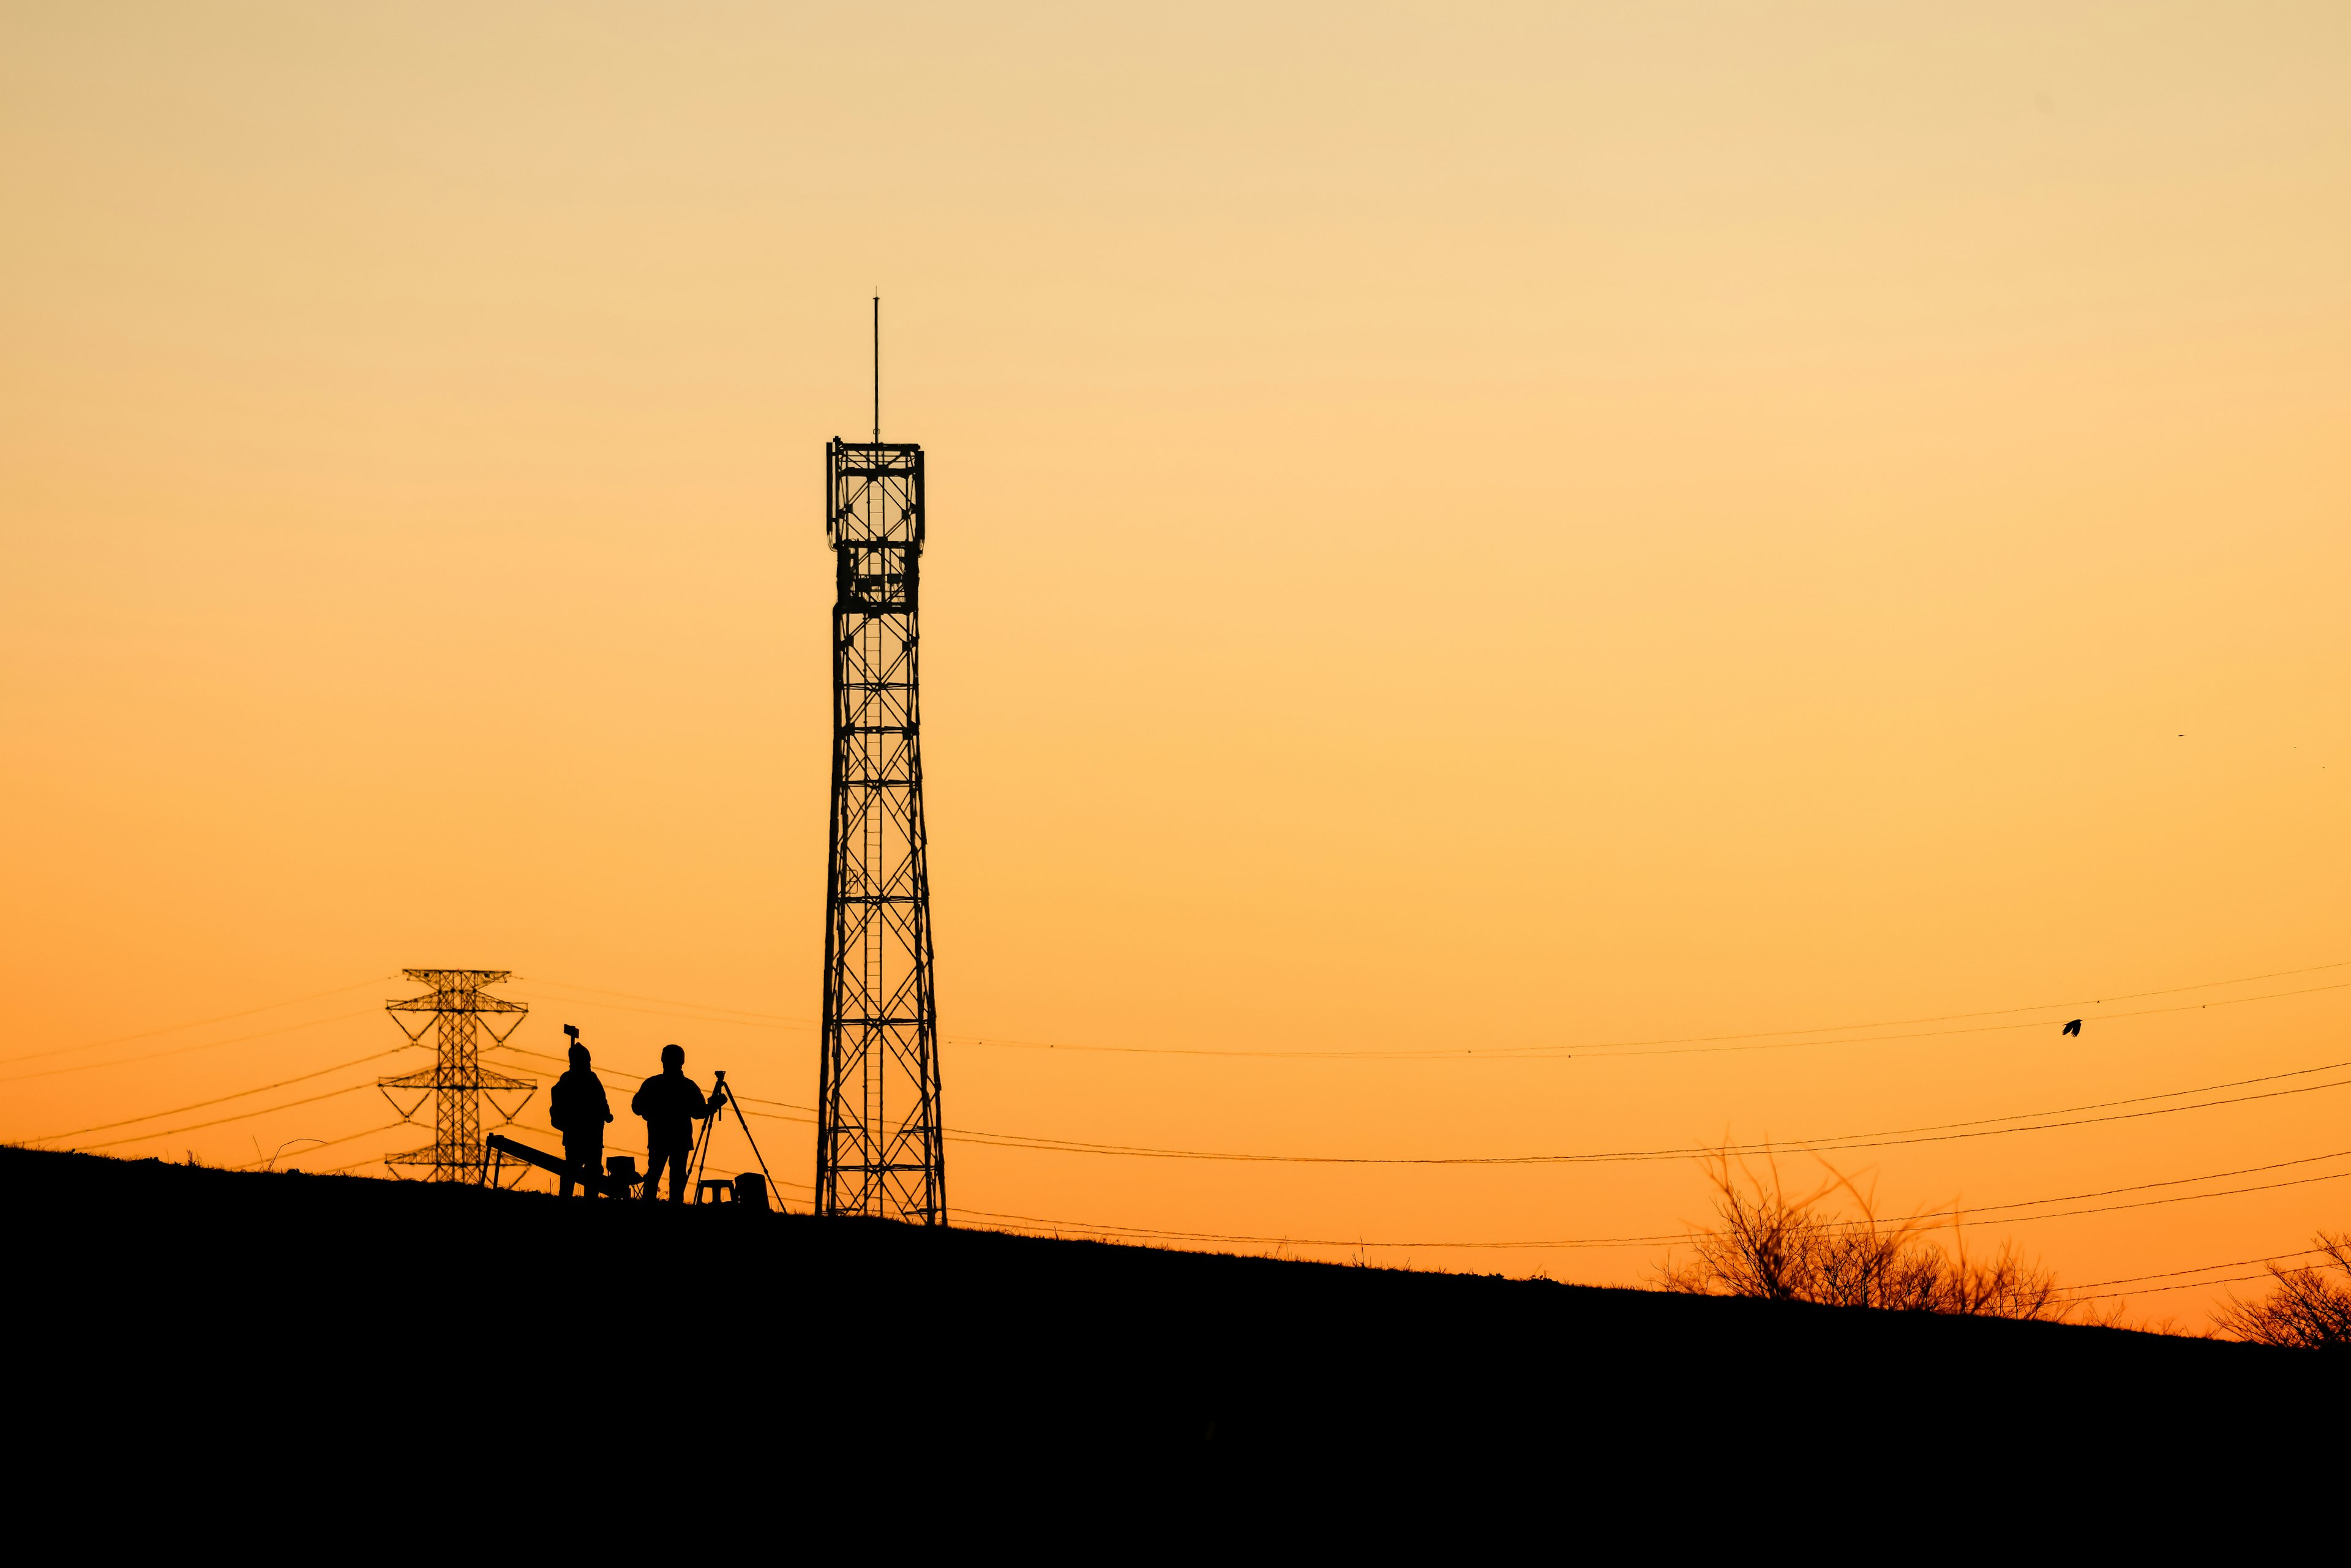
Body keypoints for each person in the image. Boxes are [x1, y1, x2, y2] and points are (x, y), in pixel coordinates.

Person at [632, 1043, 718, 1202]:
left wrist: (650, 1114)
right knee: (676, 1177)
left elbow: (636, 1107)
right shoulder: (688, 1086)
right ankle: (675, 1207)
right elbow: (699, 1113)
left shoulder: (653, 1084)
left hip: (660, 1138)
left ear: (663, 1060)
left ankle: (648, 1205)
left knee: (655, 1173)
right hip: (679, 1140)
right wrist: (713, 1107)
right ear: (682, 1062)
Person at [548, 1037, 613, 1198]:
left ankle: (585, 1198)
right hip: (579, 1135)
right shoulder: (569, 1080)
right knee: (573, 1168)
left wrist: (606, 1113)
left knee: (591, 1171)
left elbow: (602, 1101)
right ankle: (567, 1197)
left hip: (592, 1136)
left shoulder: (590, 1079)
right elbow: (558, 1101)